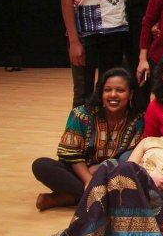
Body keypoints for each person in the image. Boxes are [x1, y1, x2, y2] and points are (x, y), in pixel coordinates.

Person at [14, 98, 163, 236]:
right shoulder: (148, 142)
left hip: (158, 203)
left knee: (116, 167)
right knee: (113, 166)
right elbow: (127, 169)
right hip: (128, 194)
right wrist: (150, 175)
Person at [31, 67, 144, 211]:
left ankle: (69, 198)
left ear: (131, 94)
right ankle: (99, 199)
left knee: (129, 171)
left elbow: (131, 157)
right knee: (41, 165)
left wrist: (99, 169)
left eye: (120, 90)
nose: (113, 95)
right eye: (107, 90)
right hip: (79, 173)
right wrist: (88, 179)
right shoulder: (82, 114)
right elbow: (70, 152)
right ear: (101, 93)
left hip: (111, 176)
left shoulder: (138, 120)